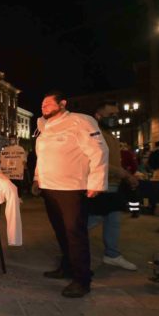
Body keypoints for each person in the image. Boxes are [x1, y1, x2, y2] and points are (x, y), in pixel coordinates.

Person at [32, 91, 108, 298]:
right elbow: (42, 157)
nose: (44, 107)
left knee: (75, 234)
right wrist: (37, 179)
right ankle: (67, 267)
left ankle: (82, 279)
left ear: (62, 103)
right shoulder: (43, 126)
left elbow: (99, 151)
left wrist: (96, 183)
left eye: (48, 104)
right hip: (50, 188)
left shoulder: (81, 121)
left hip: (72, 189)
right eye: (42, 105)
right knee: (60, 231)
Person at [89, 101, 138, 271]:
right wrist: (124, 174)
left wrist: (125, 175)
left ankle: (112, 254)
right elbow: (95, 161)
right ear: (98, 116)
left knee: (113, 221)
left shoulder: (110, 135)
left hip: (113, 183)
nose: (115, 118)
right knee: (94, 218)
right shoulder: (94, 134)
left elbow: (113, 161)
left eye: (117, 115)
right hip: (101, 184)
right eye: (111, 115)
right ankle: (71, 246)